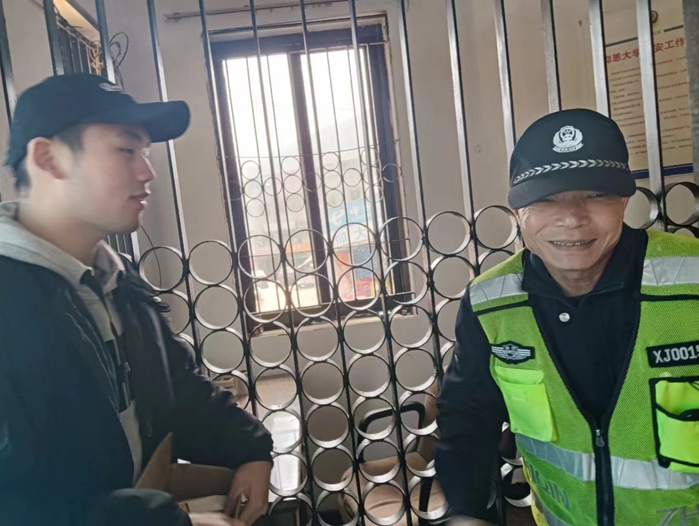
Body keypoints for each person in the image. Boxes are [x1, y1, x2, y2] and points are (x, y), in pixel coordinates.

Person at [0, 74, 274, 526]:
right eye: (126, 150)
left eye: (144, 152)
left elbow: (176, 389)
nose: (147, 172)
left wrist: (250, 449)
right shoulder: (11, 302)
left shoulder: (114, 279)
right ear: (48, 158)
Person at [436, 109, 699, 526]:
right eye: (545, 199)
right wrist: (468, 513)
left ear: (624, 200)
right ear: (518, 210)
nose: (572, 218)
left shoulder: (692, 278)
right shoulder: (490, 303)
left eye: (595, 194)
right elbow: (468, 418)